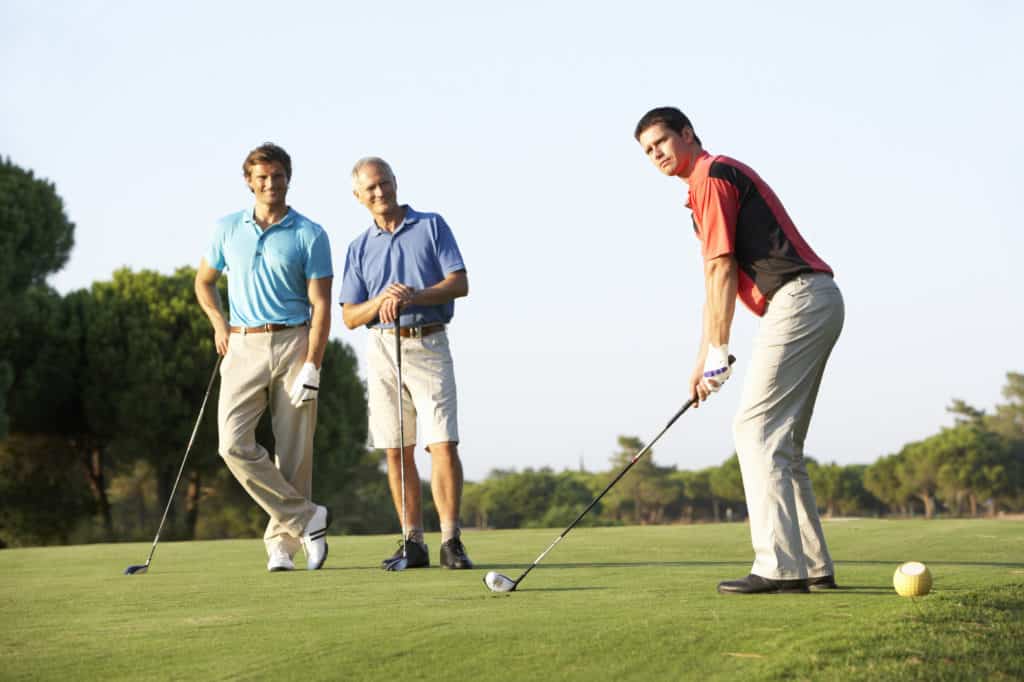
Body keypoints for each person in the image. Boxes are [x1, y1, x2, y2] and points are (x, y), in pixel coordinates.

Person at [635, 107, 845, 594]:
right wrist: (704, 357)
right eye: (647, 151)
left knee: (754, 429)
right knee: (782, 443)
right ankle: (812, 566)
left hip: (798, 299)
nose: (657, 154)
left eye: (662, 141)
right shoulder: (705, 185)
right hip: (813, 300)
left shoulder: (712, 175)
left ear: (687, 134)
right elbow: (715, 286)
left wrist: (719, 350)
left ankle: (778, 566)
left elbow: (721, 270)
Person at [195, 142, 334, 573]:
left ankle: (281, 547)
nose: (270, 183)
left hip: (294, 343)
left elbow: (322, 305)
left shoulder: (310, 233)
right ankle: (306, 516)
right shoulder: (225, 229)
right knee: (232, 443)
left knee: (294, 453)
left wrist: (314, 362)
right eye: (262, 177)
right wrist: (219, 324)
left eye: (277, 176)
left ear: (288, 178)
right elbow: (205, 282)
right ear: (248, 181)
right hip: (242, 344)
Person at [340, 156, 473, 570]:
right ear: (358, 197)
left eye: (385, 183)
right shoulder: (358, 248)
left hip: (428, 342)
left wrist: (413, 295)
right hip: (382, 350)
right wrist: (379, 302)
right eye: (371, 189)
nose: (380, 193)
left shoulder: (432, 225)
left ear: (395, 183)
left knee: (442, 443)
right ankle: (411, 542)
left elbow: (460, 283)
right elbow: (349, 316)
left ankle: (451, 541)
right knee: (396, 450)